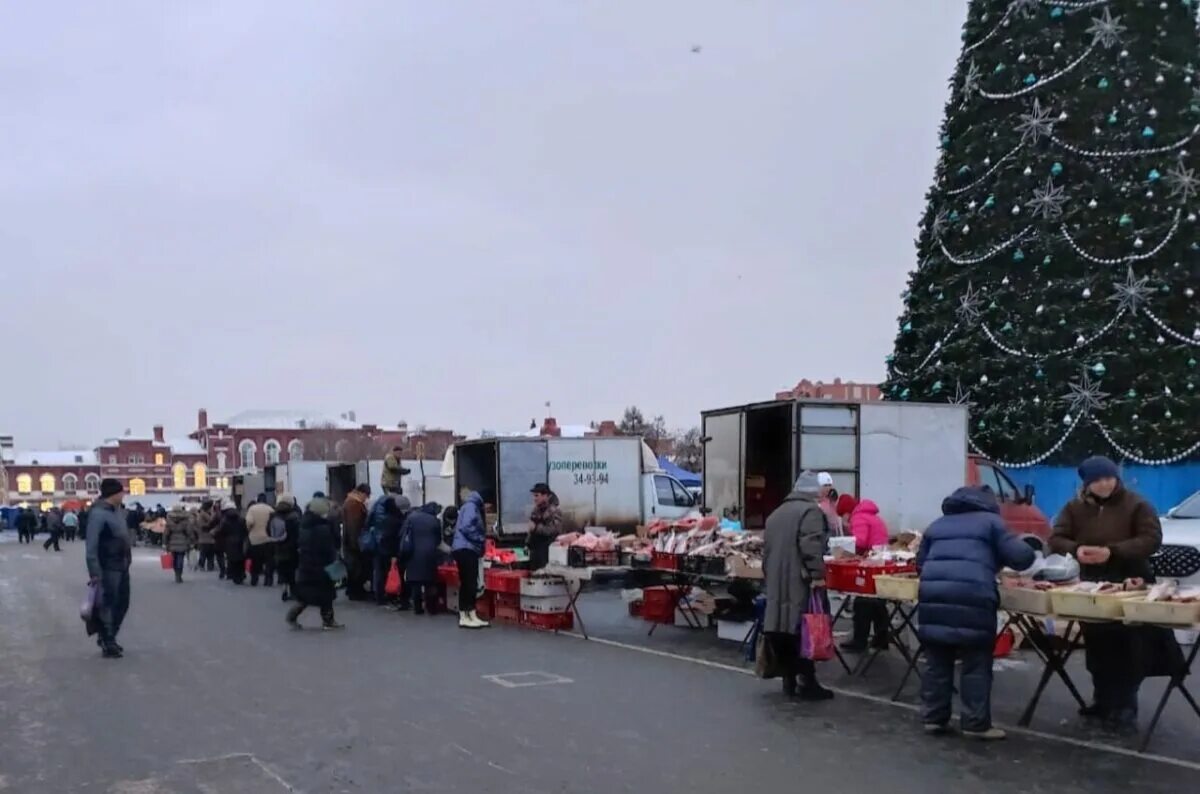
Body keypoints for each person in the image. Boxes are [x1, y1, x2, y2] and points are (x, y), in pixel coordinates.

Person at [1050, 456, 1162, 734]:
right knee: (1097, 645)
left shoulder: (1137, 504)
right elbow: (1056, 537)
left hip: (1131, 580)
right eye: (1098, 480)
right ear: (1087, 484)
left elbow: (1151, 539)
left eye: (1109, 478)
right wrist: (1076, 549)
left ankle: (1125, 708)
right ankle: (1102, 701)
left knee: (1127, 647)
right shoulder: (1074, 508)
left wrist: (1113, 551)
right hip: (1092, 583)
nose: (1104, 484)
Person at [917, 485, 1035, 740]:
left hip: (934, 598)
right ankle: (975, 723)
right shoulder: (992, 523)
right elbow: (1022, 557)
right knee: (975, 663)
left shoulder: (937, 525)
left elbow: (920, 564)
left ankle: (934, 718)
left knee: (937, 662)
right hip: (973, 597)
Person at [762, 471, 833, 700]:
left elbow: (767, 552)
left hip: (777, 581)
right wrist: (818, 574)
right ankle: (808, 682)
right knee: (805, 630)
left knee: (784, 630)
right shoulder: (810, 511)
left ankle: (789, 680)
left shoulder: (775, 514)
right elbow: (811, 547)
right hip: (799, 582)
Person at [836, 494, 892, 653]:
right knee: (878, 601)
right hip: (881, 561)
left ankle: (859, 640)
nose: (844, 519)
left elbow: (859, 541)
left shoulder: (858, 518)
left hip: (870, 563)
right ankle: (882, 638)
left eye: (843, 515)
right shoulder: (874, 516)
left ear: (847, 512)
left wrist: (843, 546)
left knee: (862, 601)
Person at [86, 479, 132, 659]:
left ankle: (109, 636)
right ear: (114, 494)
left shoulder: (117, 512)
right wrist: (95, 571)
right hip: (108, 566)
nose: (123, 495)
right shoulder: (98, 514)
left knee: (122, 603)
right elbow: (91, 545)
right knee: (108, 604)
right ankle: (108, 640)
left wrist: (128, 558)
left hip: (122, 564)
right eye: (121, 492)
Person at [286, 496, 344, 630]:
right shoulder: (322, 528)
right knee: (326, 595)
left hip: (307, 565)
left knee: (307, 596)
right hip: (321, 566)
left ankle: (293, 615)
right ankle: (328, 621)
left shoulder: (304, 525)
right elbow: (328, 548)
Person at [452, 491, 489, 629]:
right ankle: (466, 615)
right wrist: (480, 539)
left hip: (463, 548)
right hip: (467, 548)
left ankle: (469, 614)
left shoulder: (467, 506)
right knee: (470, 583)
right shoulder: (472, 507)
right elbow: (467, 527)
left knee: (468, 583)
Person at [399, 502, 443, 614]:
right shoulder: (435, 521)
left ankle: (418, 608)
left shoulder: (412, 518)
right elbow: (438, 539)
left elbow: (403, 534)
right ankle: (431, 607)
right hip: (430, 553)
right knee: (430, 582)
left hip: (413, 552)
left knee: (416, 582)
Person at [374, 495, 411, 608]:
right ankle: (393, 596)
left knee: (384, 574)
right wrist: (394, 554)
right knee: (394, 574)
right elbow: (393, 538)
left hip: (383, 550)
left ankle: (384, 596)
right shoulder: (397, 520)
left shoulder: (386, 519)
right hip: (391, 552)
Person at [341, 484, 372, 601]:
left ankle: (354, 590)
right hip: (353, 541)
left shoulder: (350, 502)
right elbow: (354, 526)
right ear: (361, 493)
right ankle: (356, 592)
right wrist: (357, 544)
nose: (367, 498)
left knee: (354, 567)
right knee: (356, 568)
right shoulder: (354, 504)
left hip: (350, 540)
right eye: (366, 495)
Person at [525, 483, 562, 571]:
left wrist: (536, 528)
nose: (535, 499)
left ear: (545, 496)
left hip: (547, 550)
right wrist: (527, 544)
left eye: (537, 496)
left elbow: (554, 530)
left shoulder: (554, 512)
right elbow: (531, 529)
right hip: (535, 550)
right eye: (534, 496)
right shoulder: (536, 510)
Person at [274, 493, 302, 602]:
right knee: (292, 570)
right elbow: (297, 533)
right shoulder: (294, 516)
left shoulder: (275, 515)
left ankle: (284, 589)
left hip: (278, 547)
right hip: (292, 548)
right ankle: (293, 592)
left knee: (282, 570)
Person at [244, 493, 276, 587]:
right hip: (269, 539)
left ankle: (254, 579)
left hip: (255, 539)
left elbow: (249, 522)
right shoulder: (270, 509)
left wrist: (249, 530)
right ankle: (268, 580)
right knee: (269, 561)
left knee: (255, 560)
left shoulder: (252, 509)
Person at [214, 500, 248, 585]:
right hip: (240, 541)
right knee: (241, 559)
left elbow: (221, 531)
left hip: (229, 542)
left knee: (232, 559)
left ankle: (234, 575)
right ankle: (241, 574)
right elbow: (246, 530)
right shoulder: (241, 519)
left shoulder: (225, 521)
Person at [162, 504, 197, 583]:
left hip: (172, 542)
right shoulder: (186, 520)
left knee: (174, 559)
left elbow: (166, 533)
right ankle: (179, 574)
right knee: (180, 558)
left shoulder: (169, 520)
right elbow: (189, 532)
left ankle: (176, 574)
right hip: (183, 541)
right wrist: (192, 541)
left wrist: (164, 543)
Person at [195, 499, 219, 572]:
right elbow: (208, 522)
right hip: (205, 537)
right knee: (204, 553)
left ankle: (210, 566)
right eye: (212, 506)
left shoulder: (207, 513)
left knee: (210, 553)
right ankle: (201, 566)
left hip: (209, 537)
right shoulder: (203, 514)